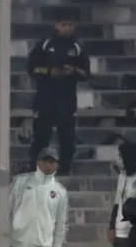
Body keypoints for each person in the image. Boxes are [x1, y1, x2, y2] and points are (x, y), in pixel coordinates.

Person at [26, 14, 90, 174]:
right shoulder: (45, 45)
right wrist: (49, 72)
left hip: (67, 103)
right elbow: (31, 69)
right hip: (45, 101)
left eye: (70, 24)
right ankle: (35, 170)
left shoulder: (77, 47)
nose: (67, 28)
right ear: (57, 25)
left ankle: (64, 171)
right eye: (64, 24)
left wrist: (73, 71)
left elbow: (87, 73)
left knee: (67, 141)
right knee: (41, 139)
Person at [9, 148, 68, 247]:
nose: (48, 165)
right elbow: (8, 210)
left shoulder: (60, 192)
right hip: (17, 246)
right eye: (45, 161)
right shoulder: (21, 181)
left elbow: (61, 223)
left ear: (57, 165)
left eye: (52, 162)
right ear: (38, 162)